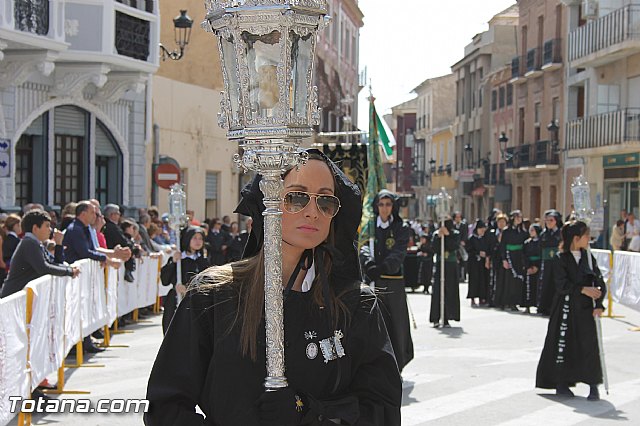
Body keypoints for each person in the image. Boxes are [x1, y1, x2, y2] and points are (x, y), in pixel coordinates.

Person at [145, 150, 401, 425]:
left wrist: (310, 414)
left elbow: (382, 411)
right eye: (296, 197)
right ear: (267, 200)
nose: (313, 212)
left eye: (325, 201)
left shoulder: (355, 304)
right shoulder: (213, 295)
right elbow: (165, 406)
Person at [536, 220, 606, 401]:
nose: (588, 239)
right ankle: (561, 382)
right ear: (576, 238)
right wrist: (582, 289)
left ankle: (593, 384)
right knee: (563, 344)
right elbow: (561, 284)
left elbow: (598, 282)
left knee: (589, 345)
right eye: (585, 236)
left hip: (585, 310)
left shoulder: (589, 258)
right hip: (566, 308)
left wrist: (598, 303)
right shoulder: (560, 259)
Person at [361, 189, 414, 372]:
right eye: (381, 204)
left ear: (394, 206)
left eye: (388, 204)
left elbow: (399, 252)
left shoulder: (401, 227)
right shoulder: (369, 226)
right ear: (376, 206)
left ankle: (397, 363)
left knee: (397, 323)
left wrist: (383, 267)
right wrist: (369, 264)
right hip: (374, 282)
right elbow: (364, 247)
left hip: (393, 282)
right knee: (375, 323)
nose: (384, 208)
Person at [0, 210, 80, 298]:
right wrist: (69, 271)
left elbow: (56, 263)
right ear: (35, 228)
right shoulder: (29, 243)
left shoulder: (37, 243)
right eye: (47, 226)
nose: (50, 230)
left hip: (21, 299)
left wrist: (59, 244)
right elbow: (44, 268)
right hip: (12, 298)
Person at [160, 226, 210, 333]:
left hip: (196, 301)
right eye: (195, 238)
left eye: (200, 238)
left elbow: (208, 282)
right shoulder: (178, 259)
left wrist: (188, 288)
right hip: (176, 300)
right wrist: (173, 262)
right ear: (188, 239)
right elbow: (165, 281)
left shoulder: (203, 261)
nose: (198, 241)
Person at [429, 218, 461, 327]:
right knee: (438, 290)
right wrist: (439, 237)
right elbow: (433, 248)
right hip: (440, 264)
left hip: (451, 265)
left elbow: (454, 246)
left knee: (450, 290)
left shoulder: (455, 234)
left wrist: (447, 236)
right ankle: (435, 317)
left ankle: (447, 317)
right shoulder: (436, 234)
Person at [496, 210, 527, 311]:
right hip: (510, 256)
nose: (519, 219)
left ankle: (515, 301)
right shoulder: (506, 231)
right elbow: (503, 246)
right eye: (517, 217)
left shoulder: (523, 232)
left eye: (520, 217)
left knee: (517, 281)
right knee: (508, 281)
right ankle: (506, 302)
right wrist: (504, 259)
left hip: (519, 257)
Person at [537, 210, 563, 316]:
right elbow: (540, 246)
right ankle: (544, 307)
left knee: (556, 283)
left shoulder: (561, 233)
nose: (548, 223)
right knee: (546, 283)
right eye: (547, 220)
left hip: (558, 262)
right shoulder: (544, 233)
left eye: (551, 220)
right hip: (547, 261)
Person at [485, 213, 508, 307]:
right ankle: (492, 300)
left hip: (504, 259)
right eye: (500, 222)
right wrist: (487, 259)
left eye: (503, 222)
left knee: (503, 280)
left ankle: (502, 300)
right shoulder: (492, 233)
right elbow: (488, 247)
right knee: (493, 279)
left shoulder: (507, 233)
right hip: (495, 258)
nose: (501, 224)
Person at [466, 219, 489, 307]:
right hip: (473, 262)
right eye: (481, 229)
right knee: (474, 280)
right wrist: (478, 253)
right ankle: (472, 298)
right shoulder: (472, 238)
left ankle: (481, 297)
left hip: (482, 263)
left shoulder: (484, 239)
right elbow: (469, 249)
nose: (482, 231)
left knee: (482, 280)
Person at [522, 224, 542, 314]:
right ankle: (527, 305)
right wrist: (528, 266)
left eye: (533, 230)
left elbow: (541, 254)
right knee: (528, 287)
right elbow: (524, 255)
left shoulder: (541, 242)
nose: (531, 232)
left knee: (538, 287)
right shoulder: (527, 243)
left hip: (538, 266)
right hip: (529, 266)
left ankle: (538, 305)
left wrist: (537, 266)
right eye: (530, 230)